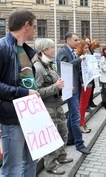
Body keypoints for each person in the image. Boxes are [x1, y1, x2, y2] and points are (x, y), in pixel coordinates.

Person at [0, 8, 39, 176]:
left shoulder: (25, 50)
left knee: (31, 161)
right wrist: (23, 93)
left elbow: (27, 81)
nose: (35, 29)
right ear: (26, 25)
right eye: (34, 26)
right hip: (12, 118)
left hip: (31, 114)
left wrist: (34, 93)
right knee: (12, 168)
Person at [33, 38, 73, 175]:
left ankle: (61, 156)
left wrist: (65, 87)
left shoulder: (48, 65)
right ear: (44, 50)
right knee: (51, 138)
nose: (53, 50)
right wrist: (55, 87)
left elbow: (56, 83)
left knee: (63, 132)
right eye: (51, 48)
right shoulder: (38, 68)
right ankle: (50, 165)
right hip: (48, 107)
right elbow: (37, 92)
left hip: (57, 105)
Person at [56, 32, 91, 155]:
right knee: (75, 116)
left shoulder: (72, 51)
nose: (78, 42)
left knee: (72, 115)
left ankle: (70, 139)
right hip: (69, 89)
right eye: (75, 40)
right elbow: (64, 68)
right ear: (68, 40)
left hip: (76, 87)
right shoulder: (62, 52)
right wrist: (79, 59)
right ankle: (79, 144)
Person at [75, 40, 92, 133]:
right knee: (82, 105)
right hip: (83, 84)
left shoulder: (88, 57)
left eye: (88, 48)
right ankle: (80, 124)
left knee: (85, 105)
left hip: (89, 82)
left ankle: (83, 122)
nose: (87, 50)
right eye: (85, 48)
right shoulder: (79, 58)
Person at [87, 38, 100, 109]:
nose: (95, 48)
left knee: (92, 88)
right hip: (89, 72)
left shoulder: (92, 51)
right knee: (89, 88)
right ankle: (89, 103)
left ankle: (91, 101)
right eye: (95, 46)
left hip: (93, 72)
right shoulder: (88, 51)